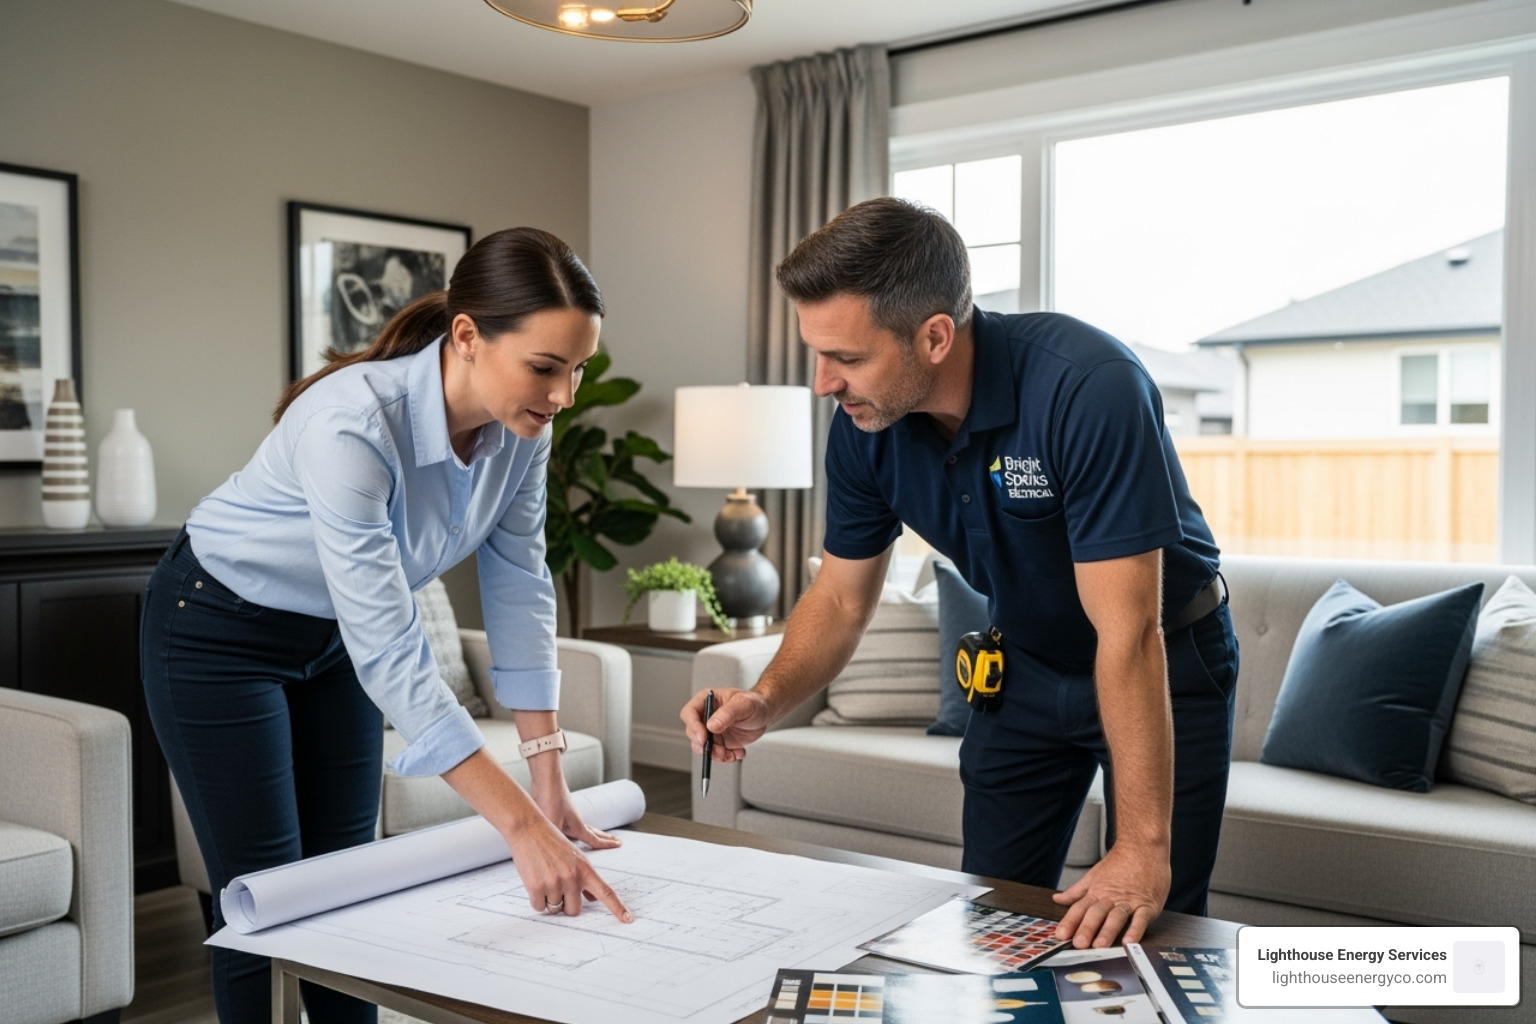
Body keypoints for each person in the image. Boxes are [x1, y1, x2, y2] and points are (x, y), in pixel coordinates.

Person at [681, 198, 1238, 950]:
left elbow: (1128, 629)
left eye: (846, 358)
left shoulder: (1088, 386)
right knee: (994, 913)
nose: (823, 384)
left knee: (1151, 925)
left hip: (1163, 658)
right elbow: (842, 599)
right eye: (818, 354)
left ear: (935, 335)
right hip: (1029, 665)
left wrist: (1139, 848)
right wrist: (766, 696)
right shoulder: (864, 427)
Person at [142, 227, 633, 1024]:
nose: (563, 396)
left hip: (331, 640)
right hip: (217, 631)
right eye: (546, 368)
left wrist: (547, 776)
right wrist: (517, 826)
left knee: (350, 889)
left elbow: (518, 584)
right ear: (468, 336)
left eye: (577, 370)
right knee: (264, 896)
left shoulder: (522, 432)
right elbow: (391, 647)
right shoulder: (354, 422)